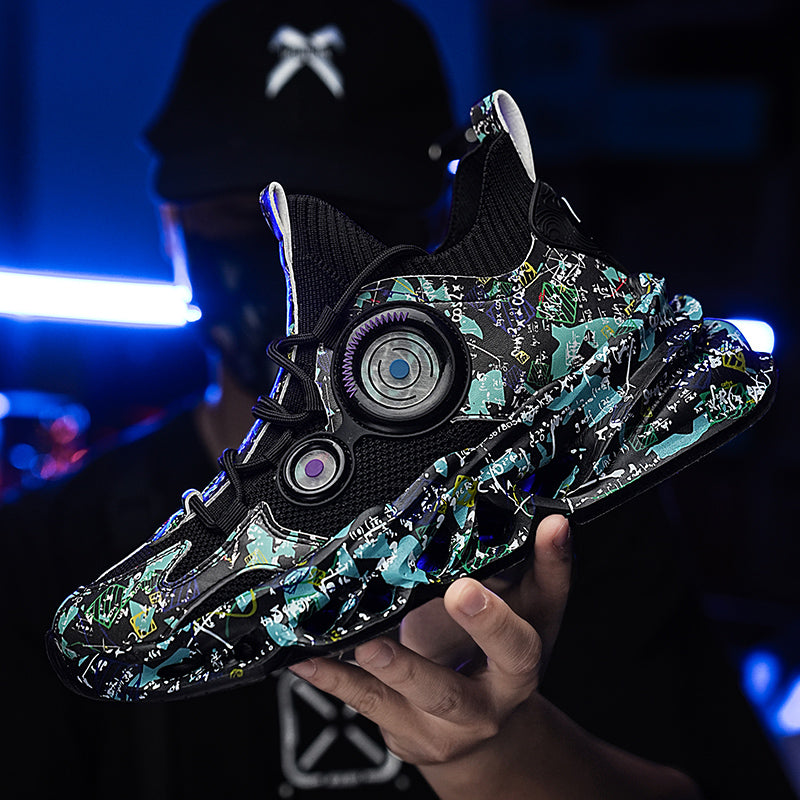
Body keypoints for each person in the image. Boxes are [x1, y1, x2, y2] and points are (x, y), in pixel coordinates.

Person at [3, 1, 796, 798]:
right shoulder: (46, 549)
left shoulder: (559, 507)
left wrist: (498, 755)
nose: (293, 275)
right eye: (240, 219)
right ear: (170, 224)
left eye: (358, 223)